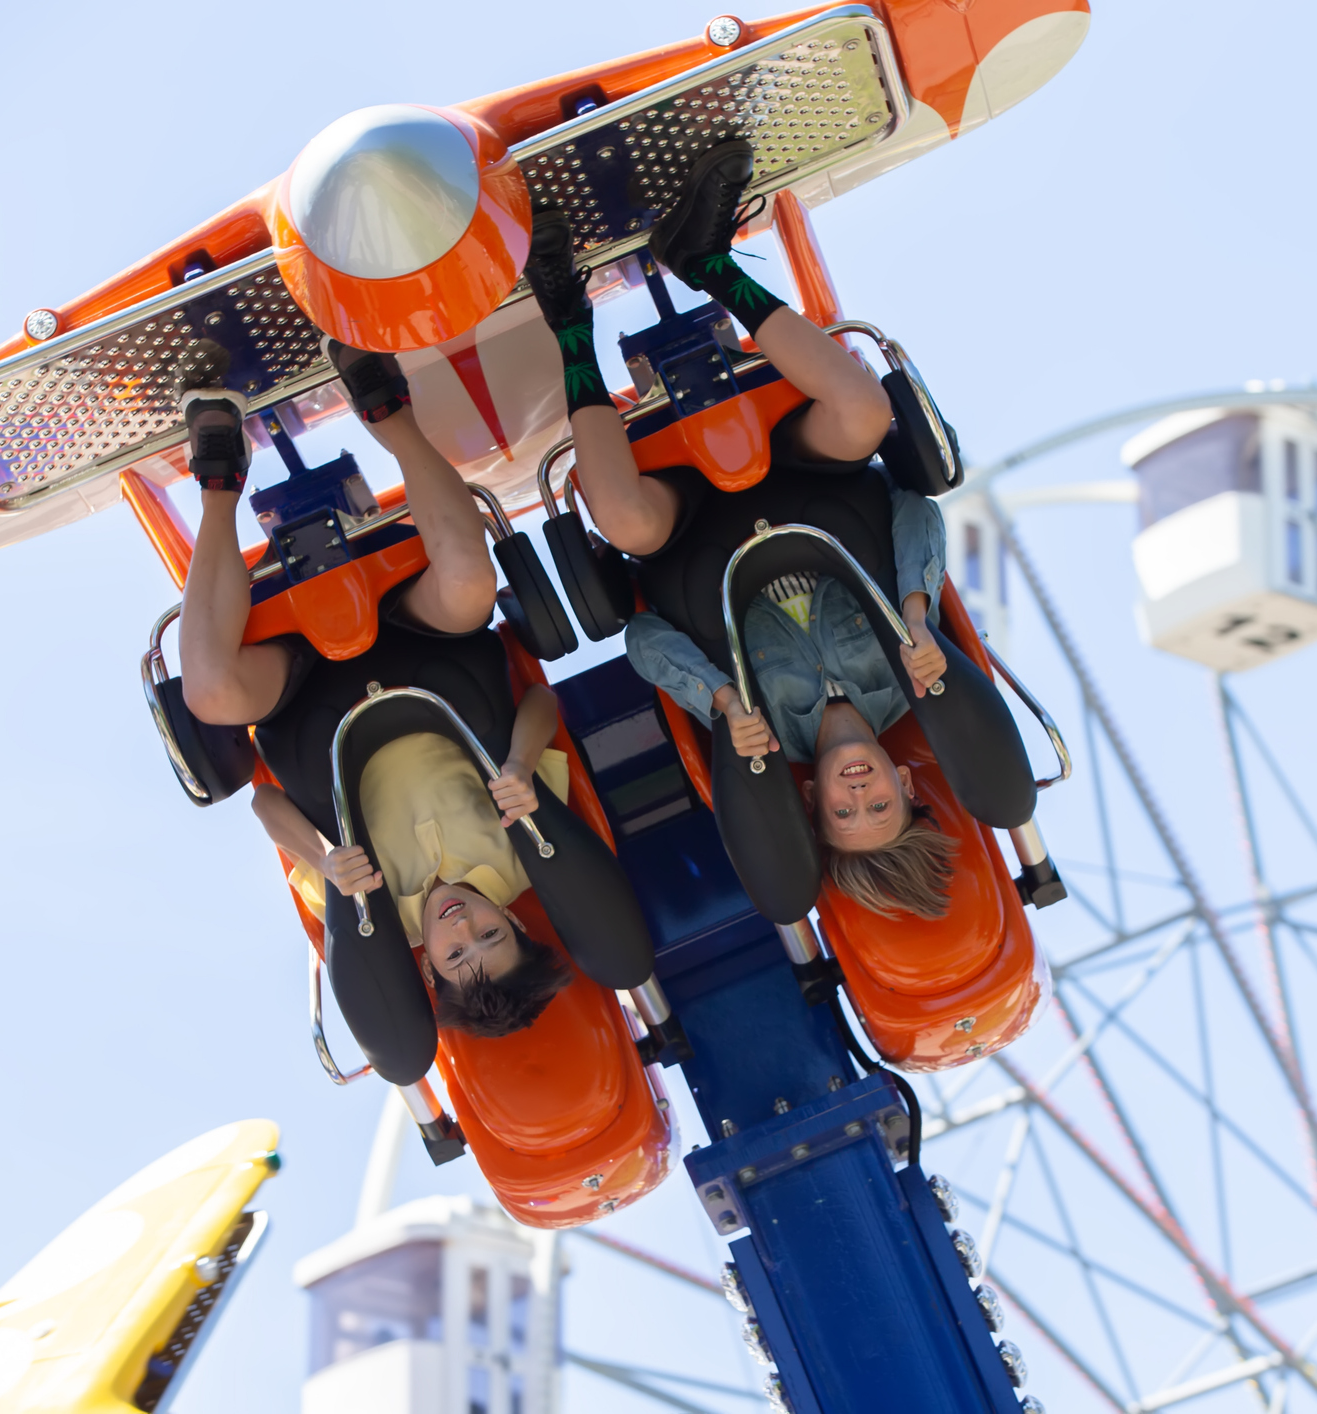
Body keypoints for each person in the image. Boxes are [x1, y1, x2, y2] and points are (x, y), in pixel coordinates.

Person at [522, 138, 1034, 920]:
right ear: (903, 783)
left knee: (619, 516)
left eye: (842, 814)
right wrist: (915, 613)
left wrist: (725, 702)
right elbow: (912, 513)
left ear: (813, 799)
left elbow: (643, 642)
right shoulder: (911, 679)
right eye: (879, 806)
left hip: (691, 532)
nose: (858, 795)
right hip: (810, 482)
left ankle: (567, 320)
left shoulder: (760, 734)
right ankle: (706, 261)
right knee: (865, 414)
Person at [174, 340, 654, 1068]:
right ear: (516, 925)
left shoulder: (367, 913)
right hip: (428, 652)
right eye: (490, 936)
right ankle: (387, 412)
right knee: (470, 580)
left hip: (310, 701)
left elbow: (265, 807)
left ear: (428, 965)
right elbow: (536, 707)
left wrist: (326, 856)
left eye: (456, 952)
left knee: (210, 695)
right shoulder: (526, 856)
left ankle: (217, 477)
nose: (463, 926)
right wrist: (521, 768)